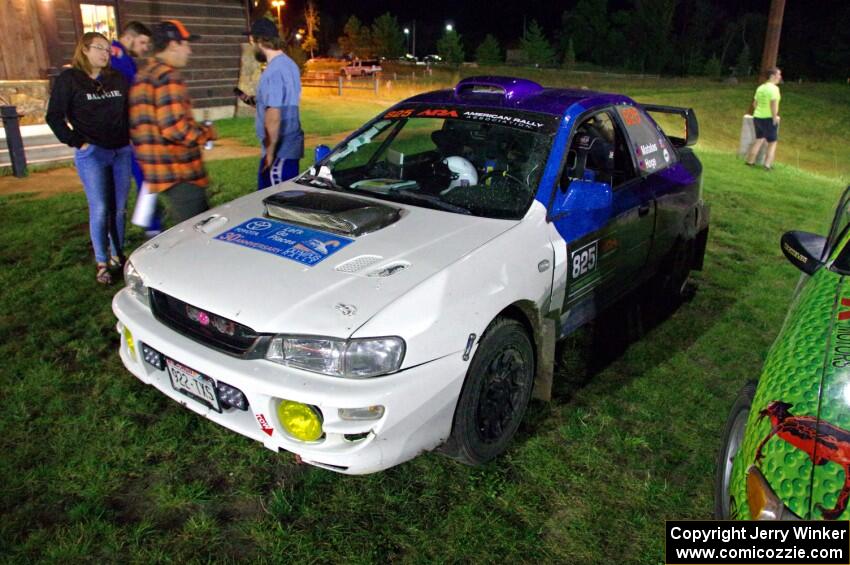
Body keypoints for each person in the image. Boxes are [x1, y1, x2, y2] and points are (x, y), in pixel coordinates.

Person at [46, 32, 132, 285]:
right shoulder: (70, 79)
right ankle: (102, 261)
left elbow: (128, 110)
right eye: (100, 48)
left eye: (108, 50)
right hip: (93, 153)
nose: (106, 54)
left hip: (121, 151)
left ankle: (118, 254)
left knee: (119, 207)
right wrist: (77, 142)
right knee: (100, 208)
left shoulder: (116, 79)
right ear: (84, 49)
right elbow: (54, 116)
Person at [129, 20, 216, 225]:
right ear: (173, 44)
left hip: (161, 173)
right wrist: (208, 133)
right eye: (186, 44)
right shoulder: (168, 77)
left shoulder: (143, 75)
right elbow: (176, 129)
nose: (190, 51)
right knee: (197, 235)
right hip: (181, 174)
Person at [110, 21, 163, 236]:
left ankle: (149, 223)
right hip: (129, 132)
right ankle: (151, 226)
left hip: (132, 130)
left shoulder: (124, 58)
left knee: (145, 177)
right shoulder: (116, 58)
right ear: (129, 37)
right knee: (144, 177)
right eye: (142, 43)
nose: (144, 48)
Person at [246, 18, 304, 190]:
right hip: (289, 150)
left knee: (273, 202)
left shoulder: (274, 70)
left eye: (251, 41)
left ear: (258, 40)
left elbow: (274, 113)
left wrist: (270, 153)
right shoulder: (289, 64)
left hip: (279, 153)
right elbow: (284, 103)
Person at [746, 67, 782, 170]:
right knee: (772, 142)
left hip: (757, 117)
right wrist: (774, 117)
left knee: (759, 139)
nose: (780, 77)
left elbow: (755, 103)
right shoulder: (774, 89)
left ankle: (750, 161)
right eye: (778, 75)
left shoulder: (760, 88)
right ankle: (767, 165)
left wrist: (759, 111)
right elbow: (773, 104)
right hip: (768, 118)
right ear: (772, 76)